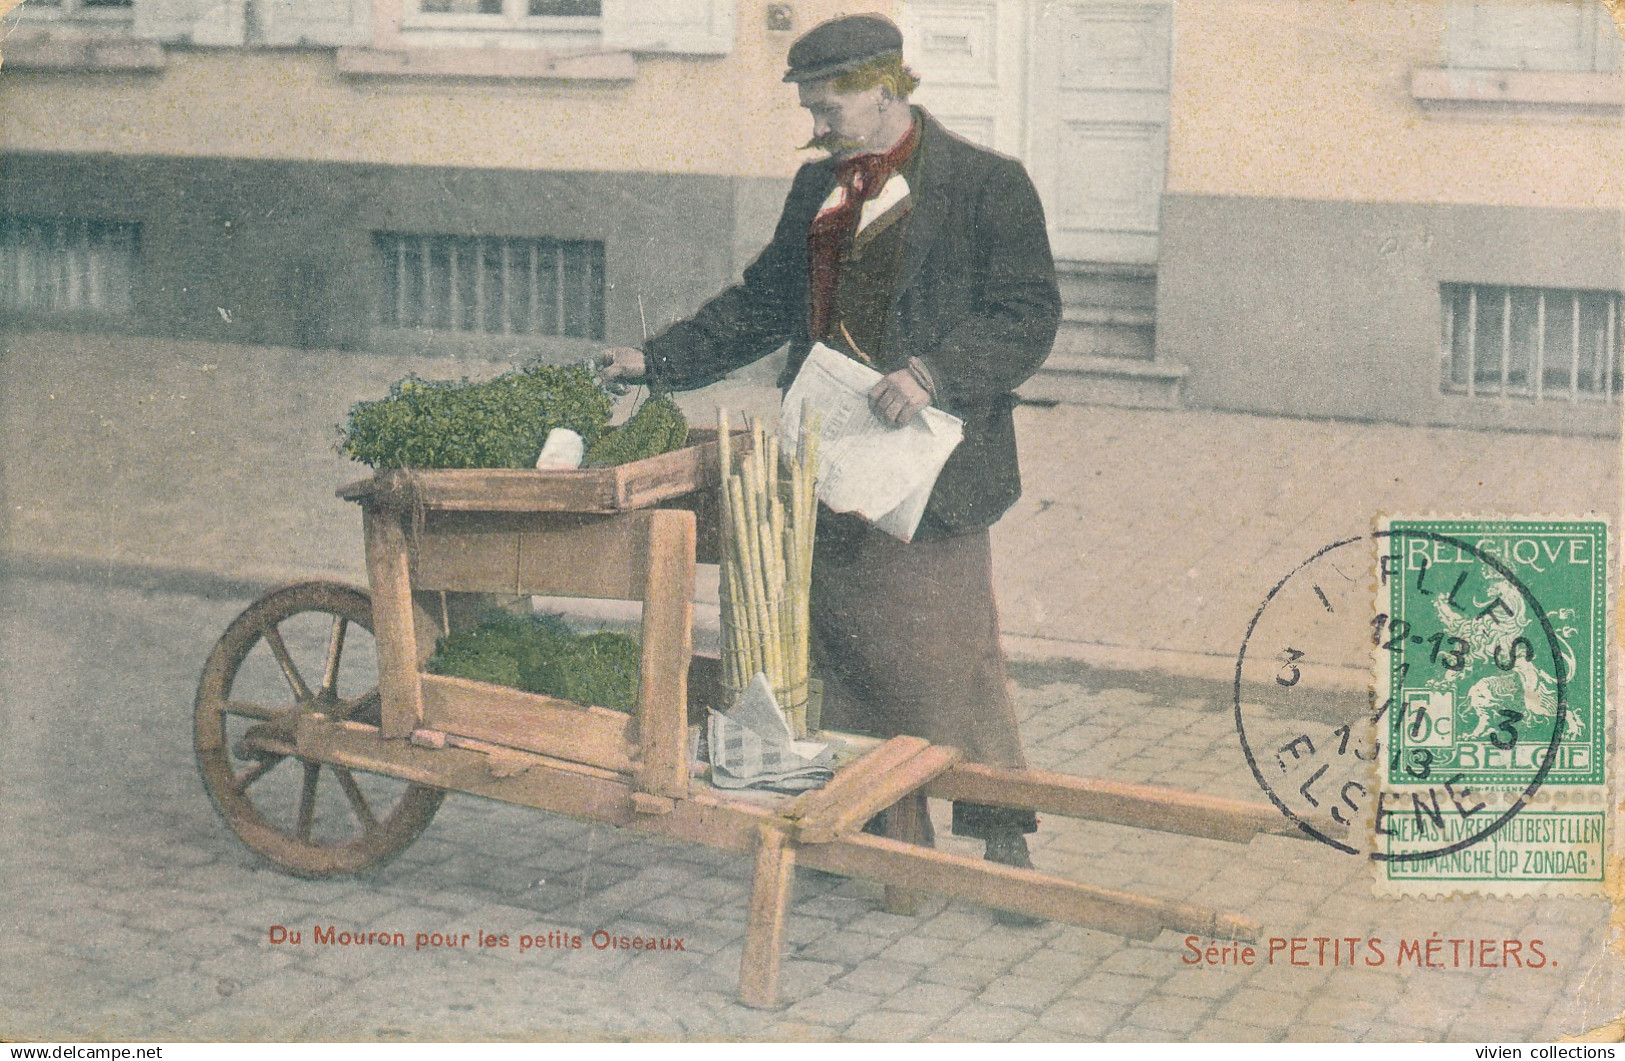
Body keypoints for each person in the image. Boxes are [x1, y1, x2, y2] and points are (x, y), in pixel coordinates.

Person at [598, 13, 1060, 873]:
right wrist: (657, 358)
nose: (813, 129)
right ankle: (871, 826)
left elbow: (1027, 313)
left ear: (884, 91)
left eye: (827, 110)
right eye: (808, 111)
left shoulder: (988, 185)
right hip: (829, 448)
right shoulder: (816, 190)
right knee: (838, 645)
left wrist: (930, 373)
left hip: (932, 465)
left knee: (947, 650)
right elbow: (761, 304)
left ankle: (1000, 835)